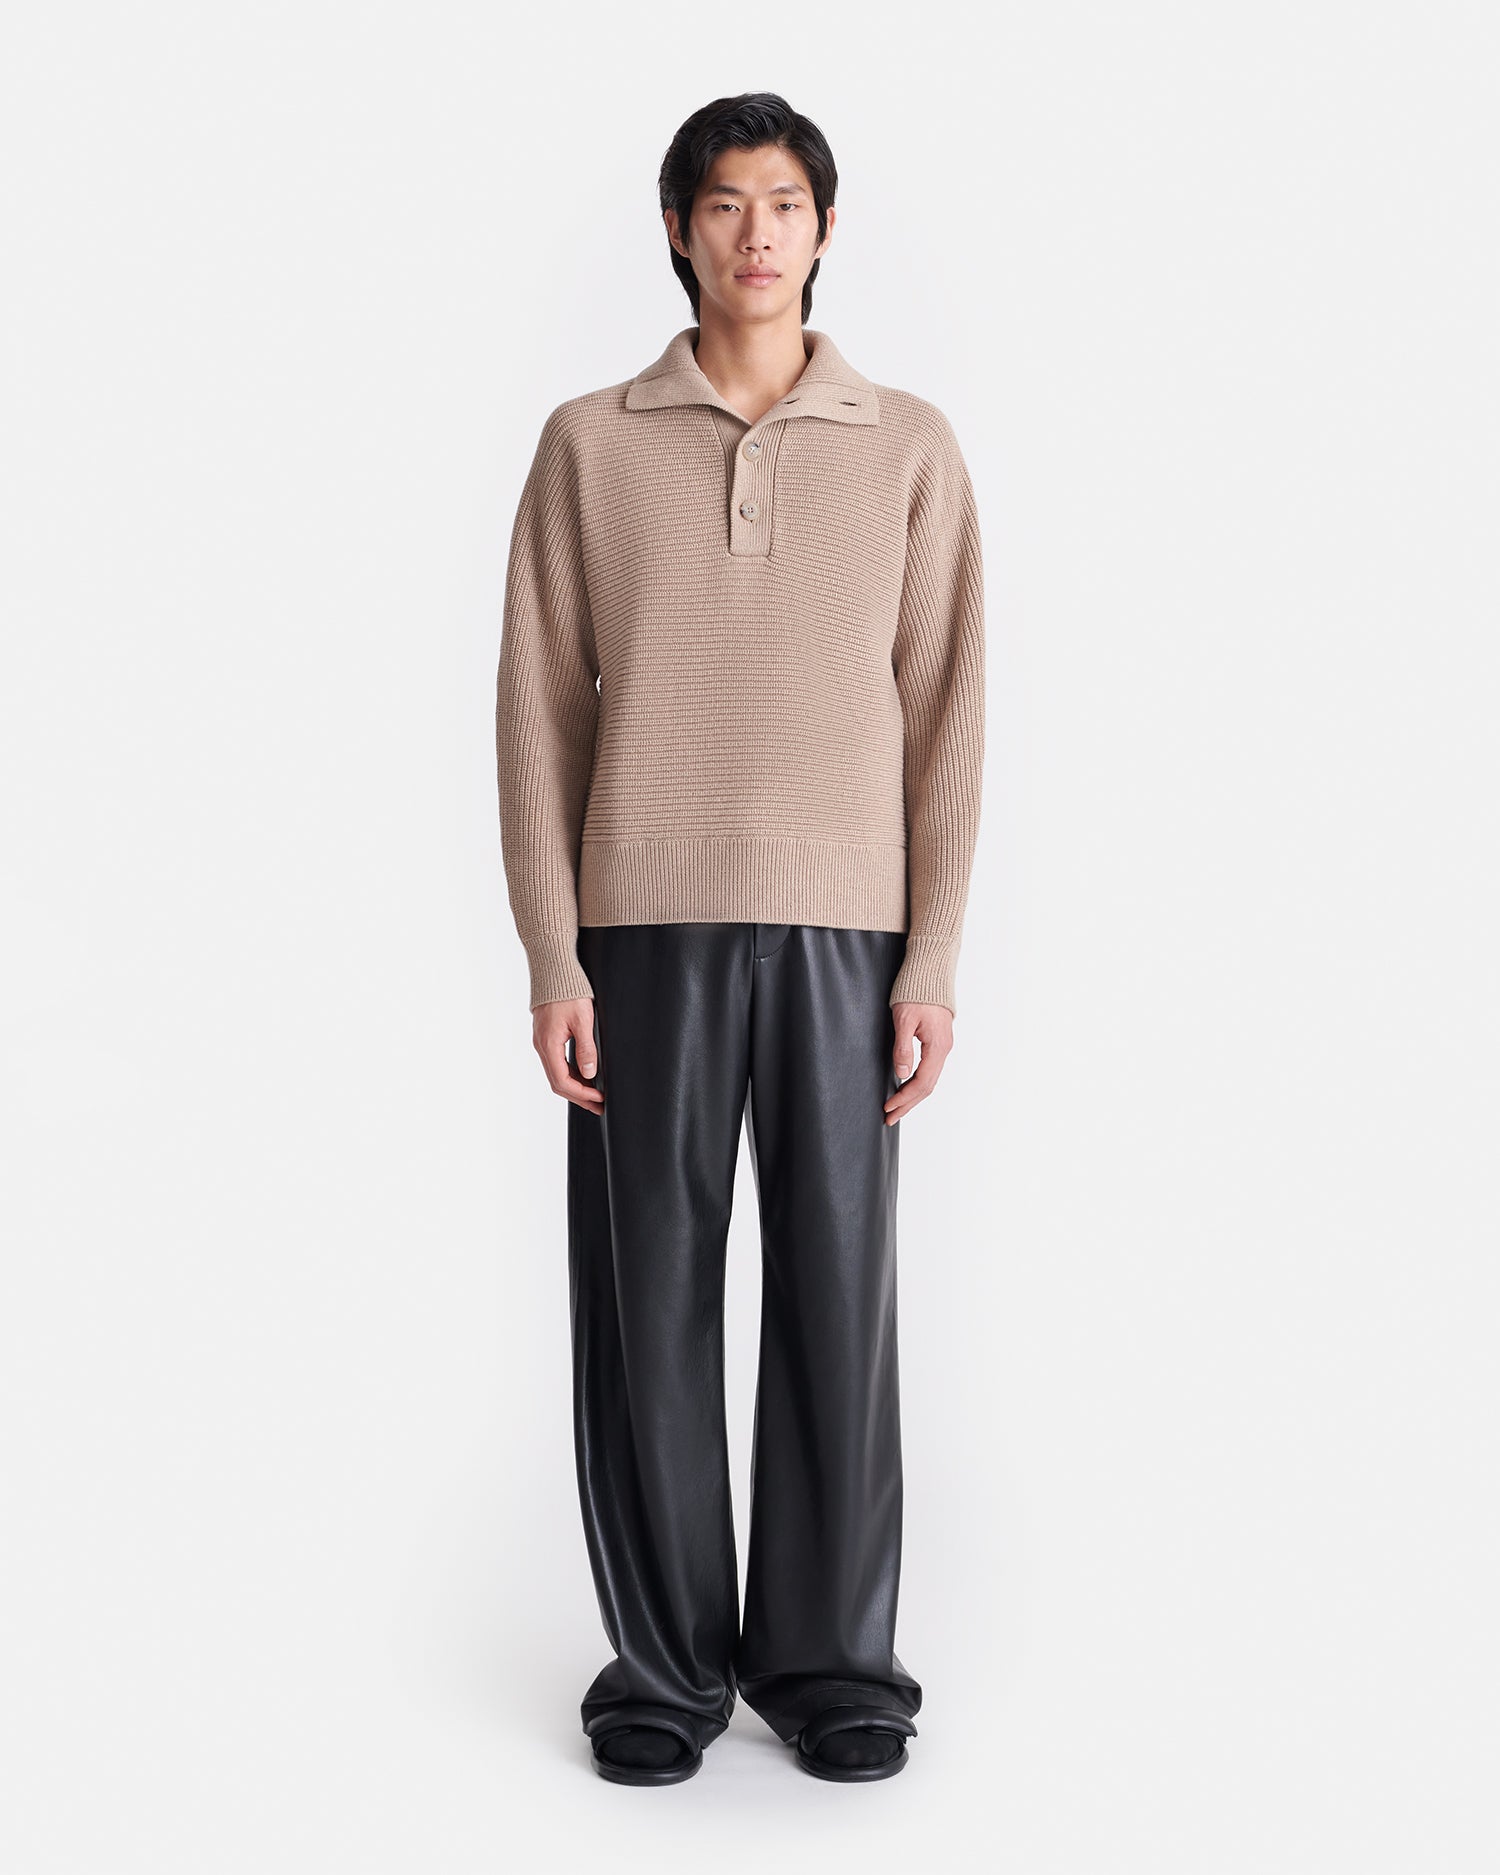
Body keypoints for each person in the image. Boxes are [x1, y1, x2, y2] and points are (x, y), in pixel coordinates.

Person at [495, 91, 985, 1786]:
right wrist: (554, 957)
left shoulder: (909, 445)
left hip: (851, 933)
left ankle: (833, 1663)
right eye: (724, 203)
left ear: (825, 230)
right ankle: (665, 1664)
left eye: (784, 202)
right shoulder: (588, 441)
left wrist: (932, 961)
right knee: (649, 1298)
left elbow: (948, 712)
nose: (756, 232)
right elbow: (539, 711)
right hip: (641, 928)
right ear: (679, 231)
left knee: (840, 1299)